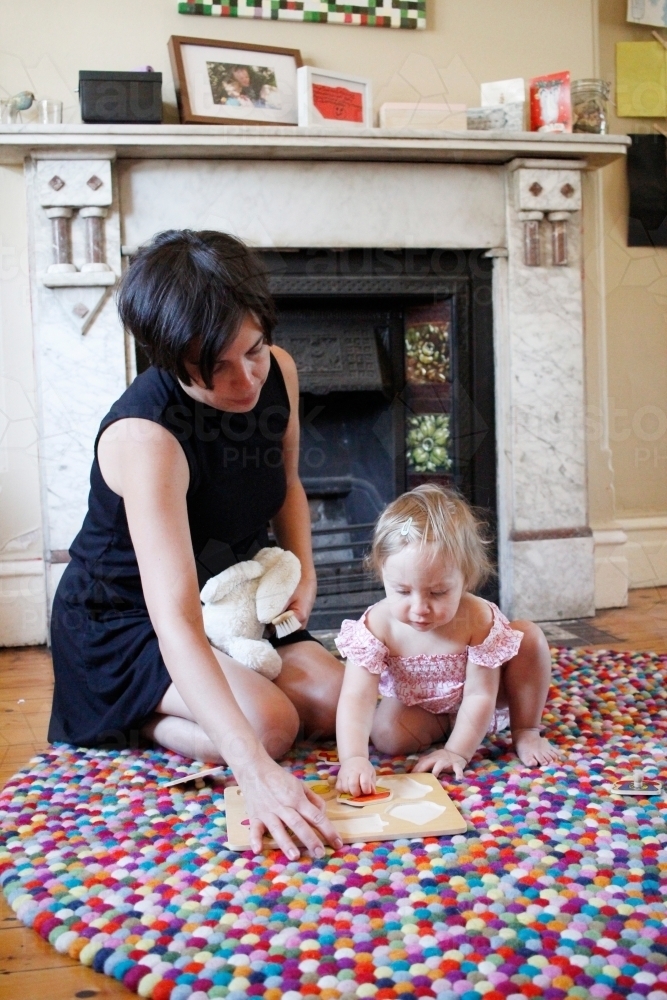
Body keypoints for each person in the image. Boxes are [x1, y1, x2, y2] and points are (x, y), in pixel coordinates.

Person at [48, 229, 345, 860]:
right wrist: (253, 771)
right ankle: (135, 717)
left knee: (339, 702)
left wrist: (305, 577)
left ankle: (230, 695)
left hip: (230, 593)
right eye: (215, 367)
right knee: (270, 727)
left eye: (254, 351)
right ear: (169, 358)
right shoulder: (145, 437)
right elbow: (175, 622)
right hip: (128, 622)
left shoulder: (277, 372)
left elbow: (286, 481)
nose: (245, 380)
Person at [335, 484, 561, 796]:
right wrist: (354, 758)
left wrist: (456, 752)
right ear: (382, 573)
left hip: (490, 694)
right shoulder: (377, 625)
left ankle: (526, 729)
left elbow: (481, 694)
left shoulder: (477, 619)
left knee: (530, 638)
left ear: (465, 579)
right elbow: (356, 697)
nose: (419, 609)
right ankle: (451, 722)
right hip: (426, 703)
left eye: (438, 592)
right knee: (387, 736)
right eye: (402, 591)